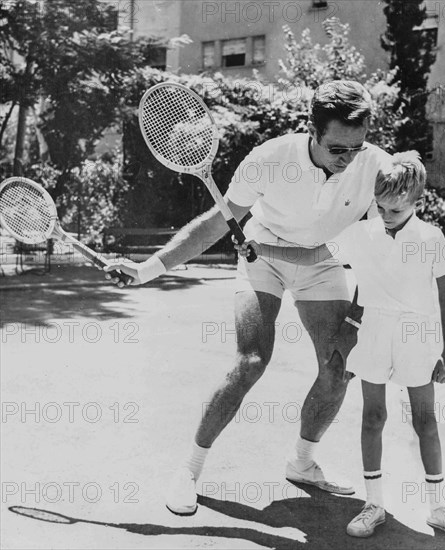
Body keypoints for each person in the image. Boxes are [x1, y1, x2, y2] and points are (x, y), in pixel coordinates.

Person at [105, 80, 391, 515]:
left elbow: (380, 254)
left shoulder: (377, 167)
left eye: (358, 146)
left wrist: (355, 322)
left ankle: (302, 463)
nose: (349, 157)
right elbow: (215, 225)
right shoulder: (270, 158)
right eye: (338, 149)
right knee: (251, 361)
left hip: (323, 261)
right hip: (263, 255)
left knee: (339, 368)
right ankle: (190, 468)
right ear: (311, 132)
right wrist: (146, 269)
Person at [236, 151, 445, 543]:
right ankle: (374, 503)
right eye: (379, 206)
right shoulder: (361, 233)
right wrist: (259, 248)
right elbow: (311, 254)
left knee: (426, 423)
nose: (385, 214)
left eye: (394, 208)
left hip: (417, 338)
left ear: (417, 201)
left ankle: (437, 506)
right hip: (373, 335)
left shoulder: (431, 238)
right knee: (373, 418)